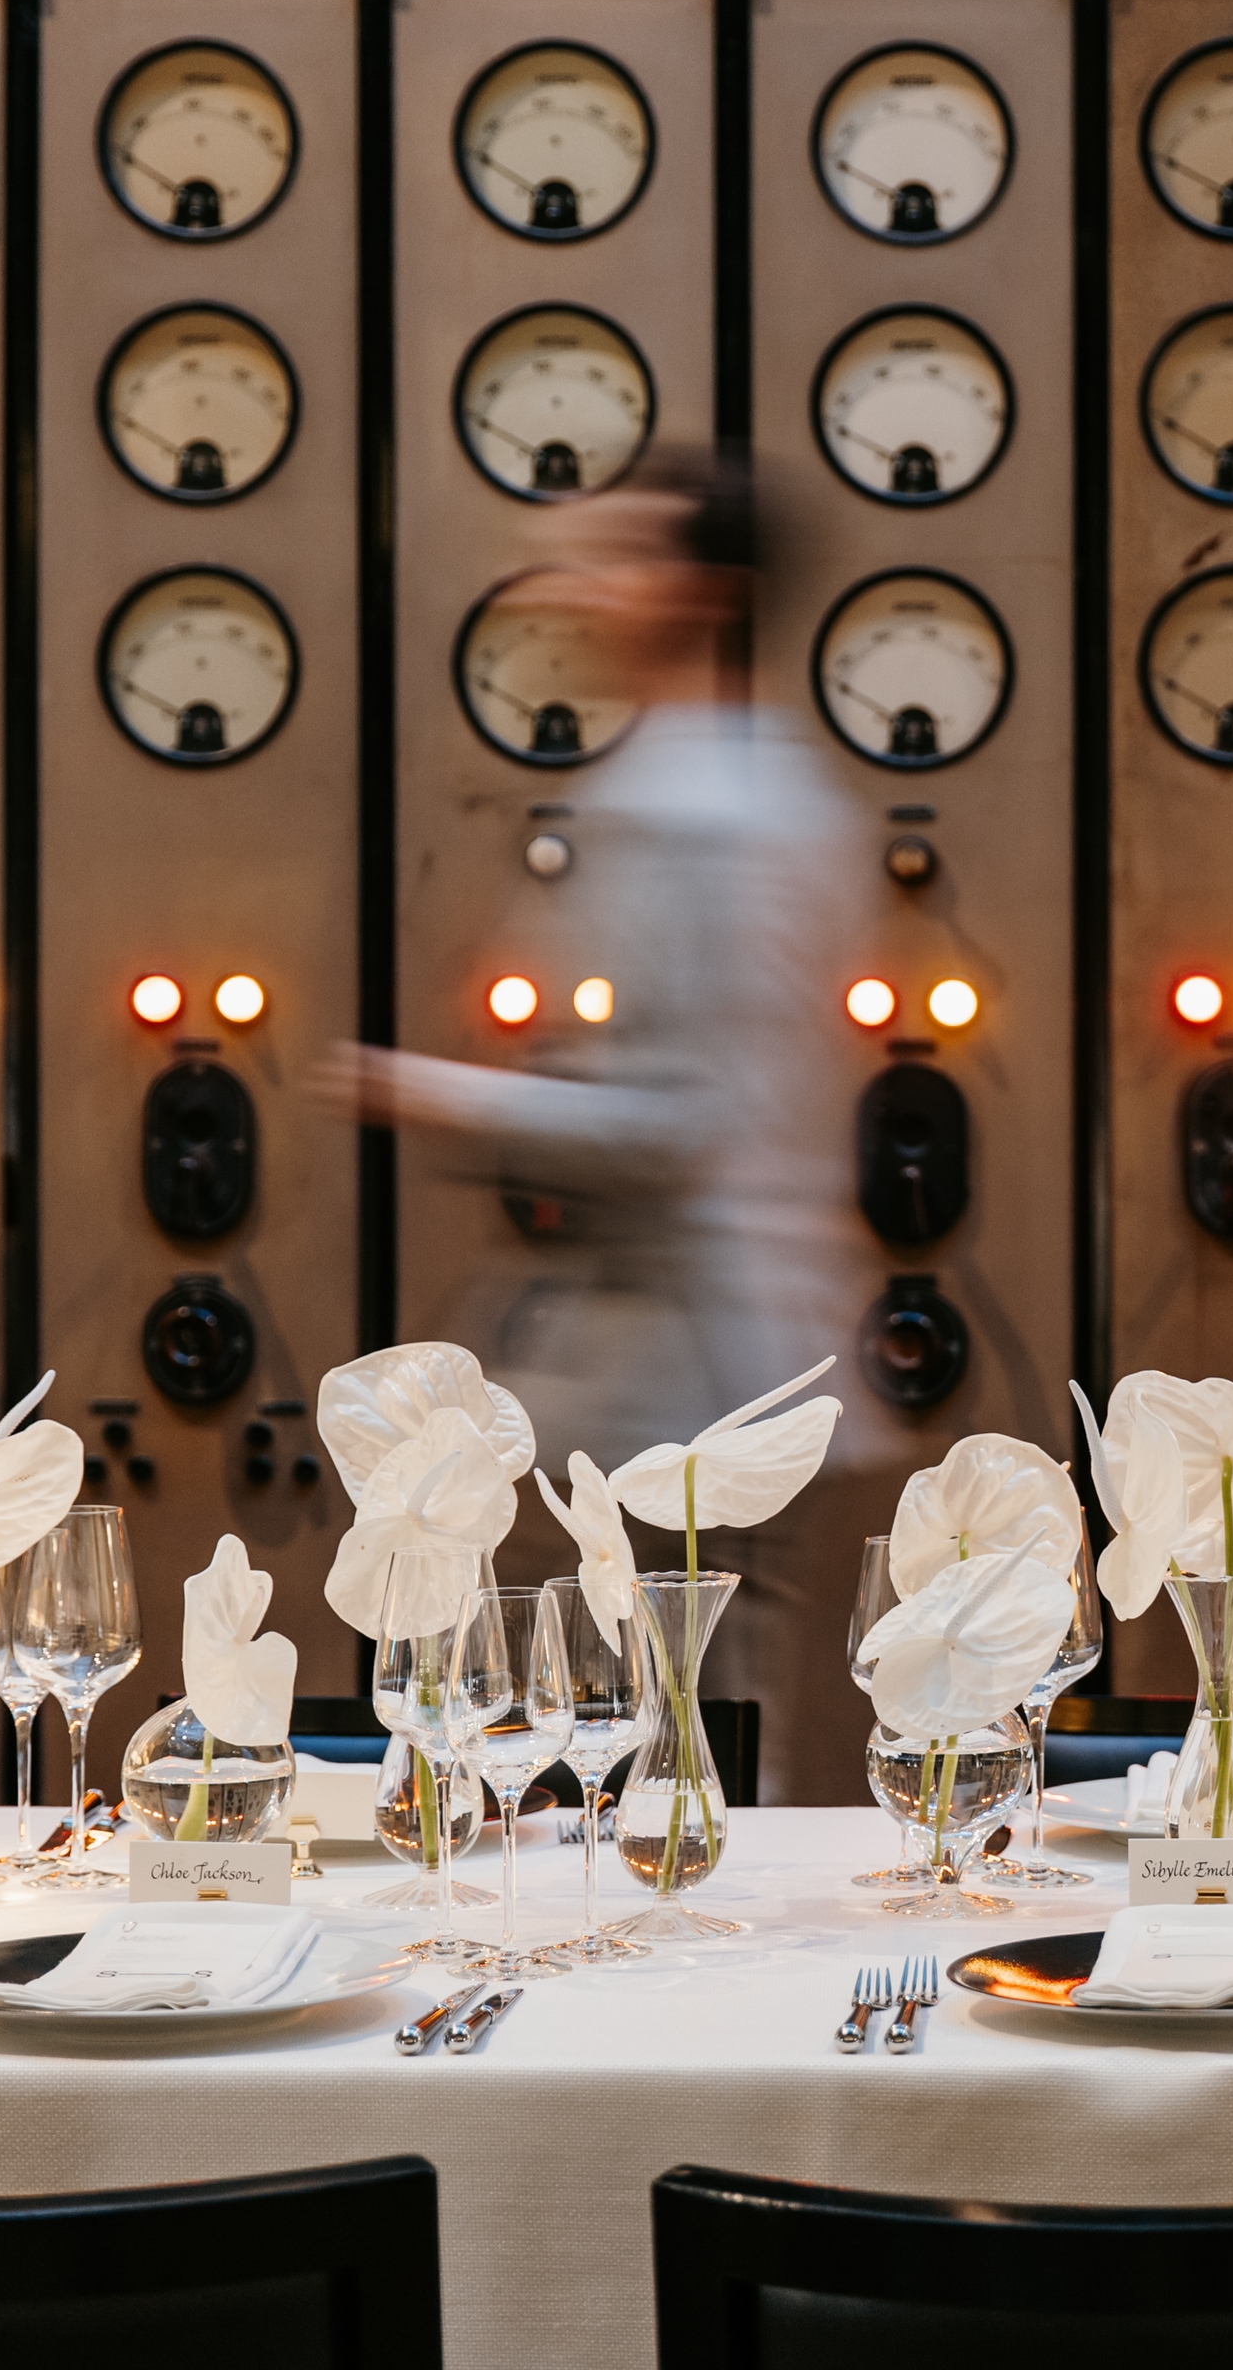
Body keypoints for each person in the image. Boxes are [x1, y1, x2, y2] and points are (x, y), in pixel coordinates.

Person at [326, 455, 857, 1785]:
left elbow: (685, 1124)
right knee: (674, 1751)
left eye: (622, 557)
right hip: (675, 1362)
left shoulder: (697, 813)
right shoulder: (739, 784)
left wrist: (436, 1092)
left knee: (677, 1762)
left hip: (689, 1372)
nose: (573, 586)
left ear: (706, 594)